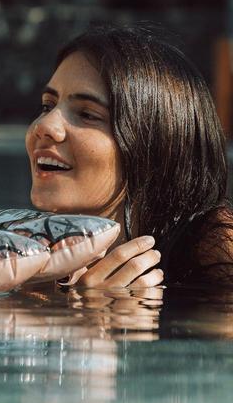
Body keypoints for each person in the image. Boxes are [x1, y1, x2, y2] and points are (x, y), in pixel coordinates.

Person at [26, 23, 233, 287]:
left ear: (156, 145)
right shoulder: (33, 257)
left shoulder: (216, 246)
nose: (42, 126)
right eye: (47, 106)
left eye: (88, 114)